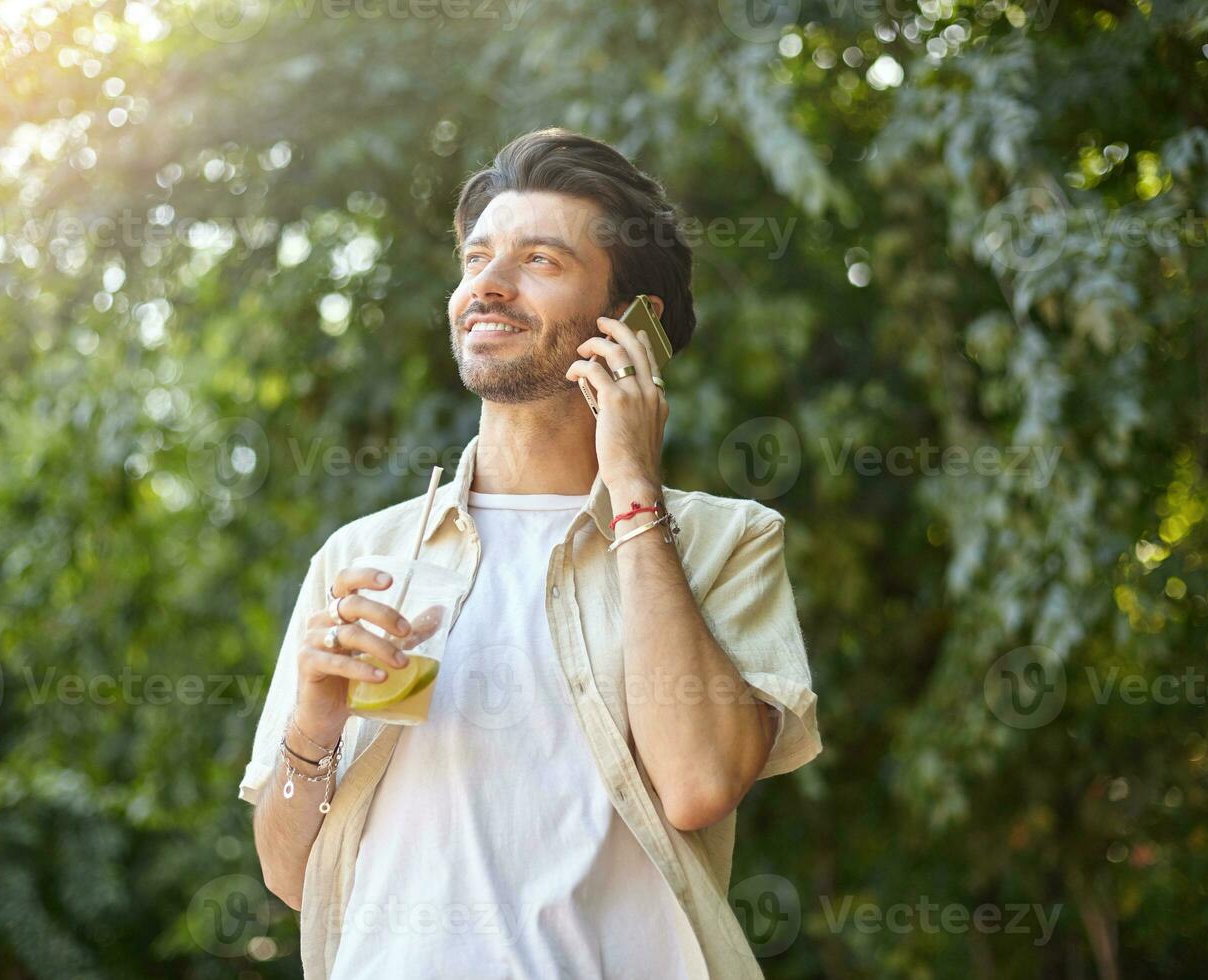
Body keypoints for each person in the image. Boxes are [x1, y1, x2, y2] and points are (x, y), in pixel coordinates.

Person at [241, 128, 822, 978]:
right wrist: (315, 723)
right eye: (477, 259)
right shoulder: (369, 554)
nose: (489, 286)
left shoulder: (723, 541)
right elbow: (290, 877)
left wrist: (632, 487)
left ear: (633, 324)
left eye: (540, 261)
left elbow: (699, 784)